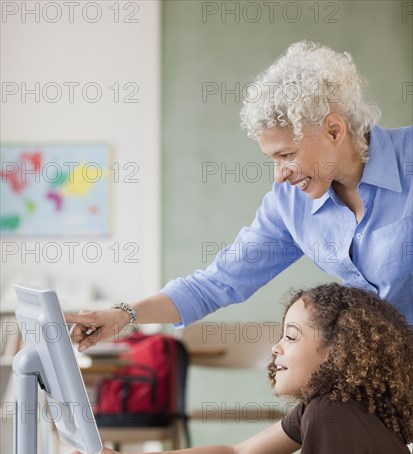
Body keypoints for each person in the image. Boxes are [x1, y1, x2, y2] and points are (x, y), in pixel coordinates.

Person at [66, 40, 412, 349]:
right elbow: (217, 283)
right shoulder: (289, 205)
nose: (280, 175)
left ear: (333, 130)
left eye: (287, 154)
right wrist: (124, 315)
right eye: (272, 159)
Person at [58, 283, 413, 454]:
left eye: (291, 336)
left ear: (338, 351)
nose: (276, 348)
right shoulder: (328, 412)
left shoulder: (332, 416)